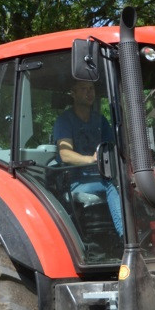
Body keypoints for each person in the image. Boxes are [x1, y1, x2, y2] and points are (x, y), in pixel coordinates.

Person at [52, 81, 123, 236]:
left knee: (127, 184)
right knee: (111, 186)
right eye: (83, 89)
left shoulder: (100, 120)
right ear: (73, 93)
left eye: (91, 88)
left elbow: (112, 146)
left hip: (100, 177)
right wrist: (91, 159)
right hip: (75, 182)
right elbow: (65, 154)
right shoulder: (65, 120)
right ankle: (125, 237)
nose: (89, 92)